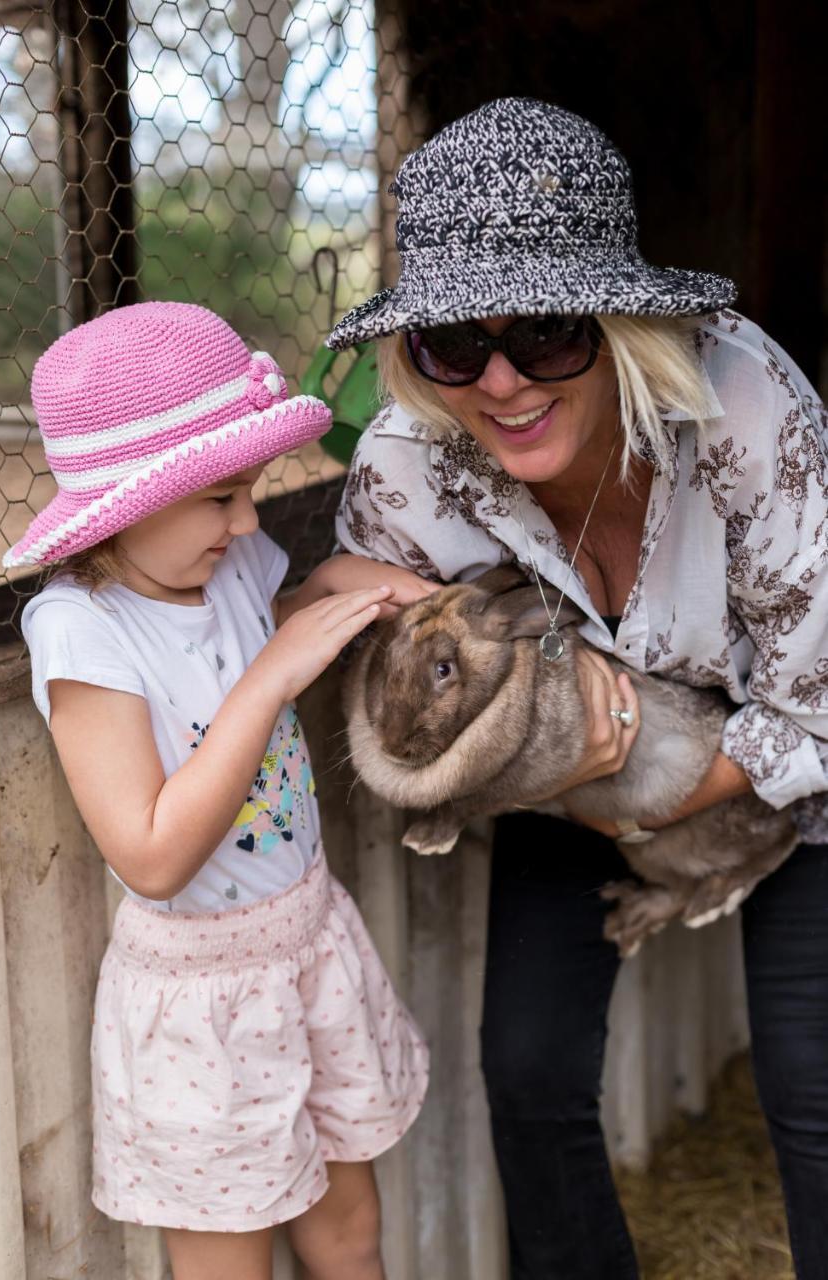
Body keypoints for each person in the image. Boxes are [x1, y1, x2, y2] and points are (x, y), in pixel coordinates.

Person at [327, 98, 828, 1279]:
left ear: (621, 326)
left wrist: (635, 779)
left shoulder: (747, 412)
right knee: (530, 1068)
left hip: (791, 758)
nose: (500, 381)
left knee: (811, 1080)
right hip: (575, 770)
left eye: (547, 333)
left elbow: (816, 708)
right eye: (456, 343)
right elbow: (364, 594)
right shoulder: (415, 446)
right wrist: (578, 761)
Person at [7, 301, 432, 1280]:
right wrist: (277, 670)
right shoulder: (84, 631)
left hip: (307, 945)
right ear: (128, 500)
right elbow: (152, 853)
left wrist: (336, 586)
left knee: (349, 1227)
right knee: (226, 1264)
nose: (247, 521)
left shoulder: (225, 563)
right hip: (201, 1004)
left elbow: (257, 631)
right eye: (222, 497)